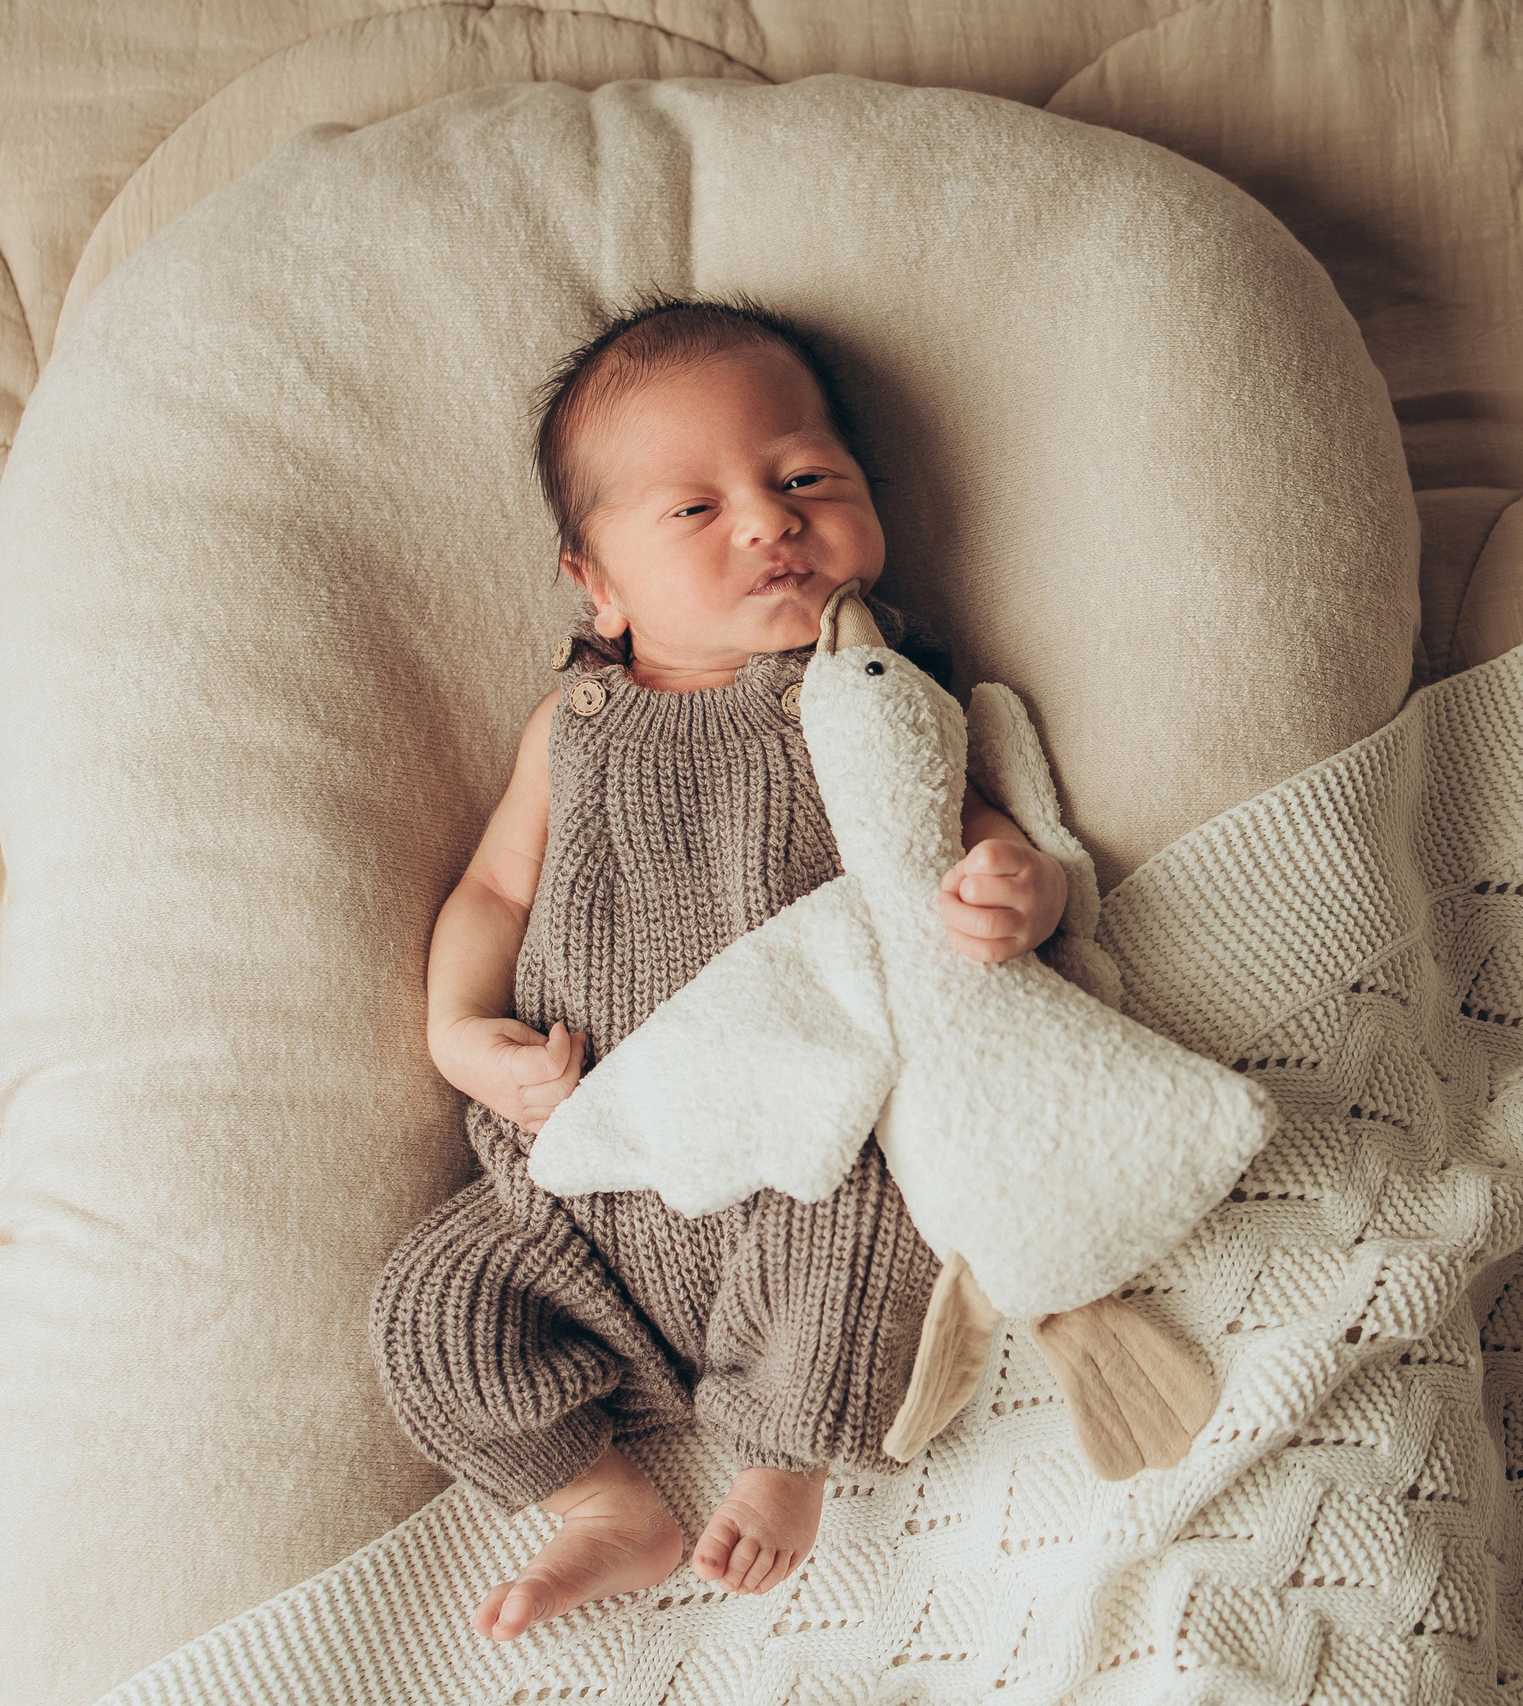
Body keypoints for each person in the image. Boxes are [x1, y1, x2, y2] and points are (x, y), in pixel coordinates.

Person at [369, 295, 1069, 1641]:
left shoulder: (865, 692)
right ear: (598, 583)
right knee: (432, 1309)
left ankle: (786, 1453)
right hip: (577, 1173)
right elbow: (494, 889)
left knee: (875, 1243)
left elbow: (966, 827)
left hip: (802, 1150)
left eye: (805, 480)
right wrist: (460, 1031)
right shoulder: (571, 726)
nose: (767, 523)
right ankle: (605, 1502)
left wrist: (1015, 888)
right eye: (696, 508)